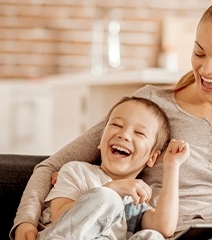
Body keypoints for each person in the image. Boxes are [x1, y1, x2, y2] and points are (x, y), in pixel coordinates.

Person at [11, 1, 212, 239]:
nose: (207, 70)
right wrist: (25, 220)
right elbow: (51, 166)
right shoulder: (150, 105)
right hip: (172, 232)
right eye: (199, 53)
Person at [37, 96, 190, 239]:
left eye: (139, 133)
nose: (124, 135)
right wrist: (112, 189)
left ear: (152, 158)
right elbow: (59, 217)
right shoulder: (76, 171)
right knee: (108, 197)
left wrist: (172, 166)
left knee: (153, 236)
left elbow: (164, 227)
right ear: (100, 140)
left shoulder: (134, 200)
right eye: (116, 125)